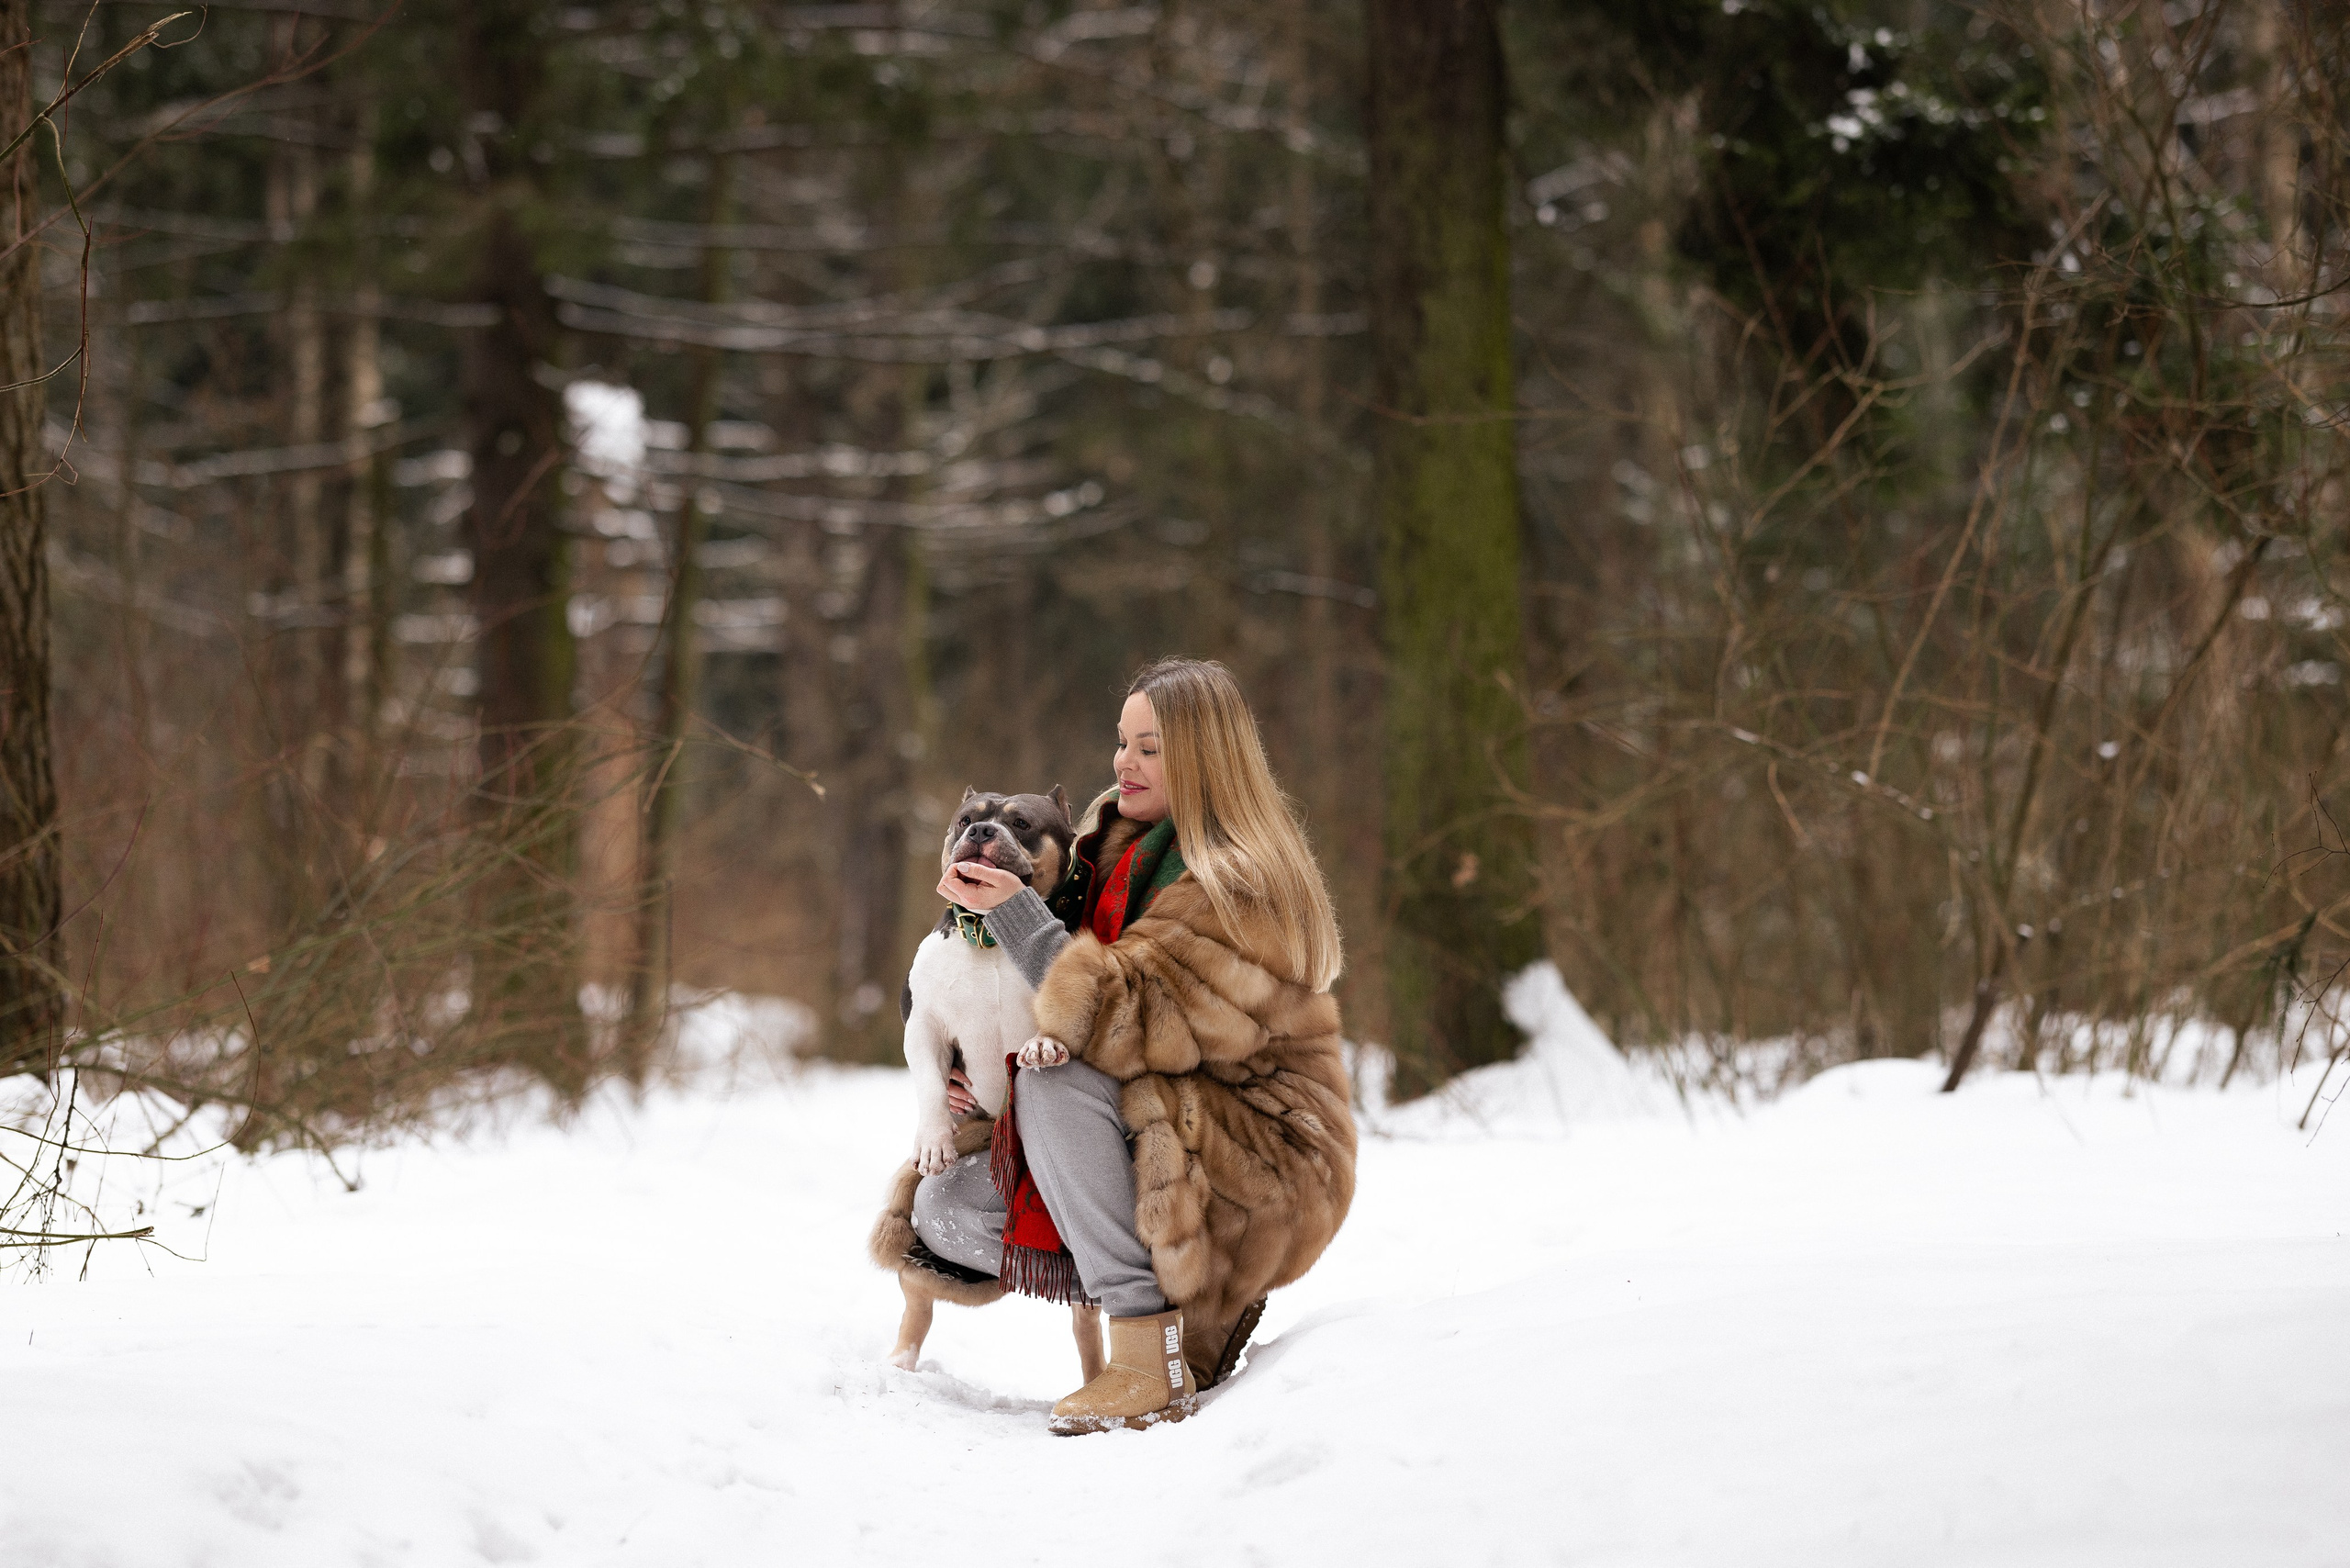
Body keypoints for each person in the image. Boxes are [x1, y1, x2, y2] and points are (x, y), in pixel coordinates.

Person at [903, 655, 1355, 1435]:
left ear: (1204, 761)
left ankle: (1155, 1354)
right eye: (1122, 742)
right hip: (1157, 1121)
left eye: (1151, 748)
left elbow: (1121, 1018)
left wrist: (1015, 915)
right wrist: (961, 1060)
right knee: (945, 1211)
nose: (1123, 762)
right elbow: (1034, 977)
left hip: (1253, 1154)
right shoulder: (1112, 846)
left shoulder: (1239, 883)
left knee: (1051, 1077)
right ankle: (1167, 1297)